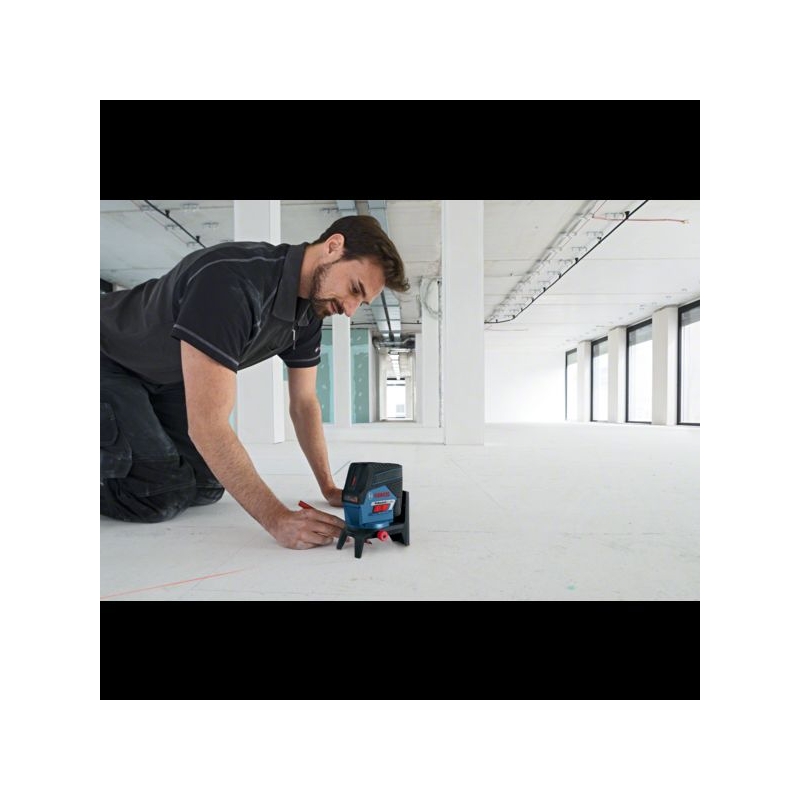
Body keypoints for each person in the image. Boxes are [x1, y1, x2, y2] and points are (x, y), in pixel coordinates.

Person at [100, 214, 409, 550]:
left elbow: (304, 403)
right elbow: (207, 425)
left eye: (361, 302)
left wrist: (328, 486)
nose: (349, 310)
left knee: (207, 485)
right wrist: (277, 518)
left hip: (162, 378)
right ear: (334, 247)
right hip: (108, 358)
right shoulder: (229, 282)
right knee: (159, 493)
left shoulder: (309, 313)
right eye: (354, 289)